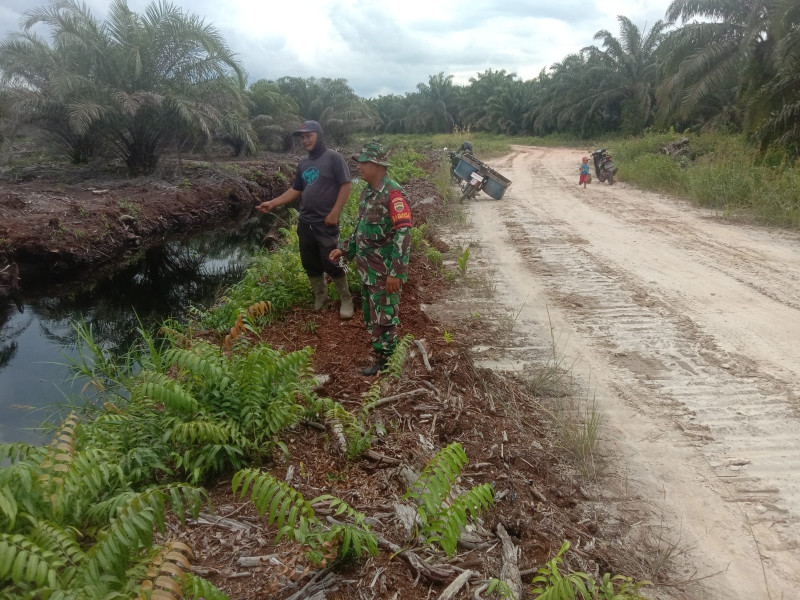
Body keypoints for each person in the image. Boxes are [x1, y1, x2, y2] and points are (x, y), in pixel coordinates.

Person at [329, 142, 412, 376]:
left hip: (384, 271)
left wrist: (396, 272)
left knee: (385, 316)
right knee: (372, 314)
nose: (359, 167)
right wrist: (346, 249)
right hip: (368, 269)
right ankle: (382, 355)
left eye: (363, 162)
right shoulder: (368, 192)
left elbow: (403, 232)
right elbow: (362, 227)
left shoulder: (393, 193)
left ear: (376, 164)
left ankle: (387, 363)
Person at [256, 120, 353, 318]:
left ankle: (346, 298)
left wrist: (335, 213)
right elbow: (296, 189)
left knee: (332, 261)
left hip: (326, 223)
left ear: (319, 135)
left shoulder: (334, 158)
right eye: (302, 137)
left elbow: (346, 185)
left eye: (309, 135)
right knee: (310, 263)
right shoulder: (303, 162)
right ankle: (321, 297)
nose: (305, 140)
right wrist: (273, 203)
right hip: (305, 222)